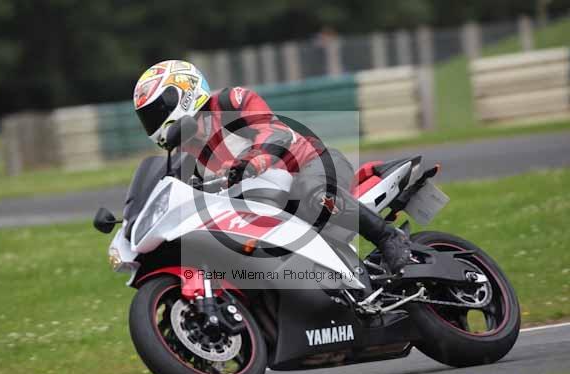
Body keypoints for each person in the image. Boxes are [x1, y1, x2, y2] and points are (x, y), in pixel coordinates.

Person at [133, 60, 411, 275]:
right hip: (264, 197)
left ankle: (388, 237)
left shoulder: (231, 102)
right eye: (147, 118)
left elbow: (274, 132)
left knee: (310, 192)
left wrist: (254, 160)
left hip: (310, 164)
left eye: (157, 111)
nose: (153, 122)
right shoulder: (185, 153)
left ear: (183, 93)